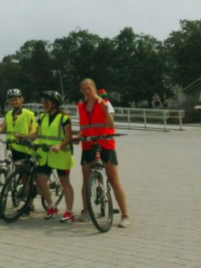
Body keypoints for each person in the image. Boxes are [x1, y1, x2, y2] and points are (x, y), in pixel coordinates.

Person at [76, 79, 131, 228]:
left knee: (113, 179)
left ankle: (125, 215)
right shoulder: (81, 106)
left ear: (94, 88)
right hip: (88, 144)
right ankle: (86, 210)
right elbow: (83, 127)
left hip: (105, 143)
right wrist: (78, 136)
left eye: (89, 88)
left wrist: (106, 111)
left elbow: (110, 124)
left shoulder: (105, 103)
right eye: (84, 89)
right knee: (86, 180)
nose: (87, 91)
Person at [30, 91, 75, 222]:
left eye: (46, 102)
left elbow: (68, 138)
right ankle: (51, 206)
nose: (43, 104)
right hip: (45, 154)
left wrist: (59, 146)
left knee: (65, 182)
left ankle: (69, 212)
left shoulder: (64, 118)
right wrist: (23, 136)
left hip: (61, 155)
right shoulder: (42, 117)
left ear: (54, 103)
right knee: (40, 179)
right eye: (42, 102)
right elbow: (37, 134)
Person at [0, 89, 36, 162]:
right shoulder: (9, 114)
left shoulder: (29, 114)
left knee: (23, 168)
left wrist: (24, 137)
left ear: (21, 99)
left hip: (24, 149)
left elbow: (32, 131)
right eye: (11, 100)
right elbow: (2, 126)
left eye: (16, 99)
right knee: (14, 166)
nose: (14, 102)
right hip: (12, 147)